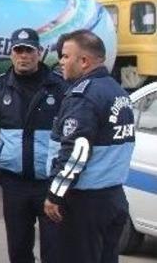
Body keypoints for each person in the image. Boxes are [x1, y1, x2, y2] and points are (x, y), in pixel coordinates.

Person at [44, 29, 135, 263]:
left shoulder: (84, 96)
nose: (61, 62)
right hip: (114, 198)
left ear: (83, 61)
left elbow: (77, 152)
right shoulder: (117, 91)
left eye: (65, 56)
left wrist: (56, 194)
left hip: (86, 204)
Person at [0, 28, 67, 263]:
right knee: (18, 250)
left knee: (55, 250)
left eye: (29, 50)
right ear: (11, 54)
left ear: (39, 53)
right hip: (14, 184)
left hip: (49, 185)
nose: (23, 56)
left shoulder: (59, 88)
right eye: (18, 50)